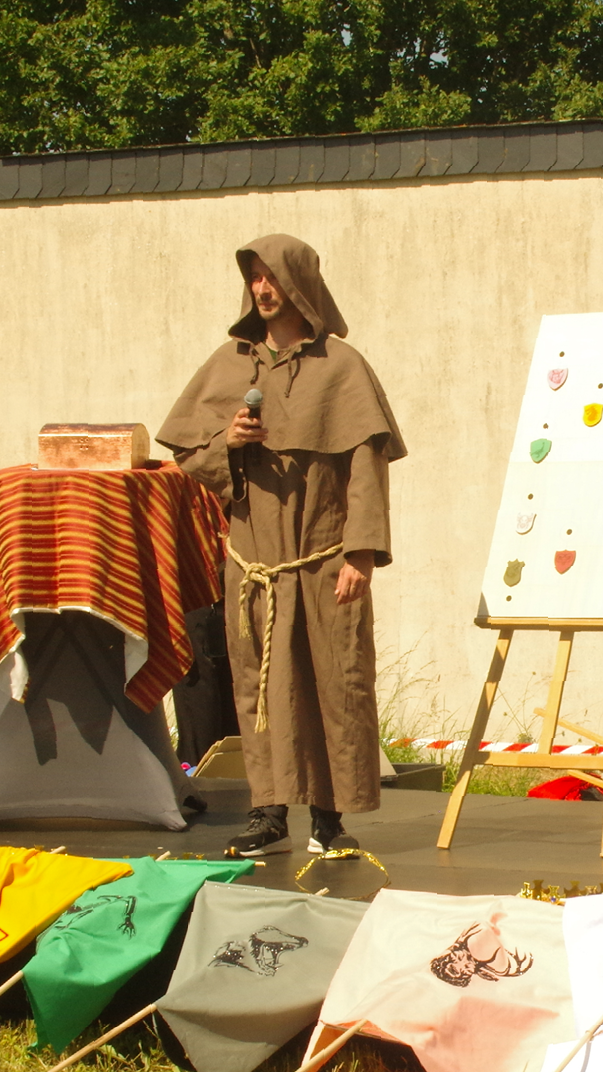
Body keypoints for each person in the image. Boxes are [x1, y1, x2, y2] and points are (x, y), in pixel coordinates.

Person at [156, 234, 405, 858]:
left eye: (273, 278)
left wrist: (362, 552)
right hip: (255, 562)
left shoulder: (342, 367)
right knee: (260, 689)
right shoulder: (231, 362)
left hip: (324, 560)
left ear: (299, 284)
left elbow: (366, 467)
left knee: (334, 683)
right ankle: (268, 816)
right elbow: (191, 456)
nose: (262, 289)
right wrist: (231, 441)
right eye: (255, 278)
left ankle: (328, 819)